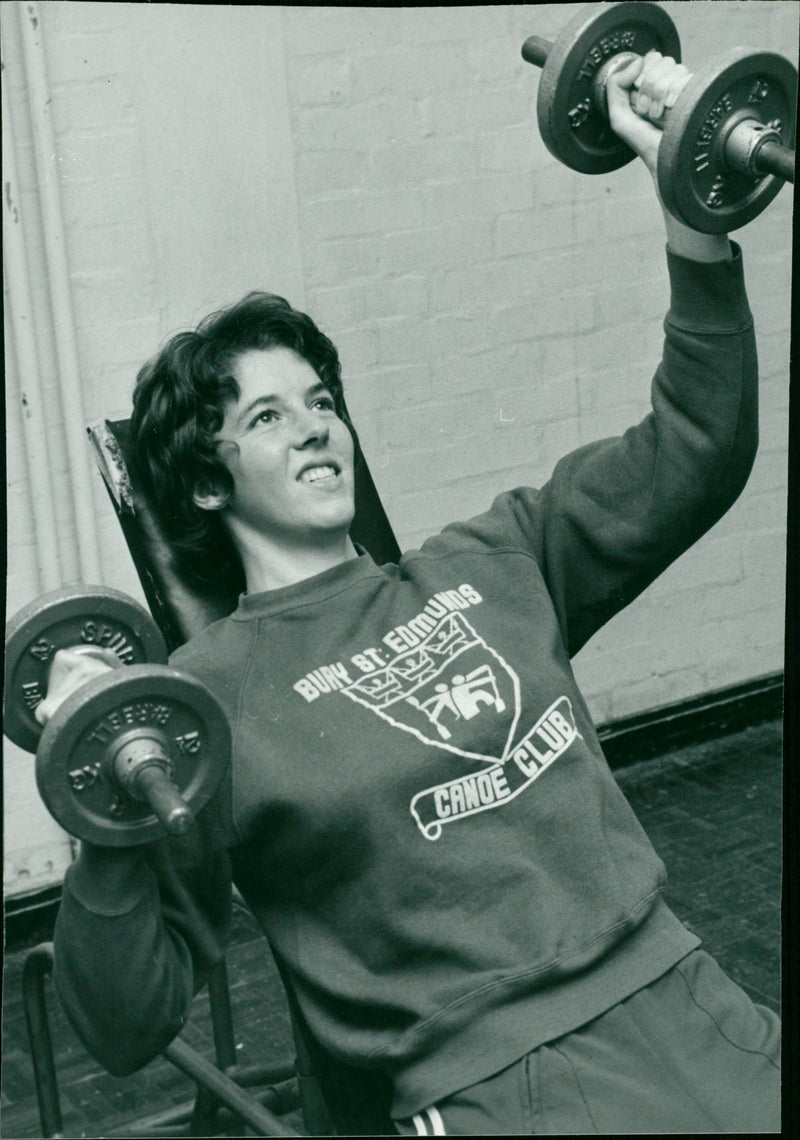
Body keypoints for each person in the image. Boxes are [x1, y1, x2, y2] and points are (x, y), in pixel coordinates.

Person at [45, 54, 780, 1134]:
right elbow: (125, 1023)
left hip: (686, 996)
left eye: (320, 399)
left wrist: (690, 212)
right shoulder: (201, 702)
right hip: (490, 1084)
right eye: (264, 417)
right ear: (204, 483)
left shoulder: (495, 556)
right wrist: (103, 798)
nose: (312, 425)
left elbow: (696, 446)